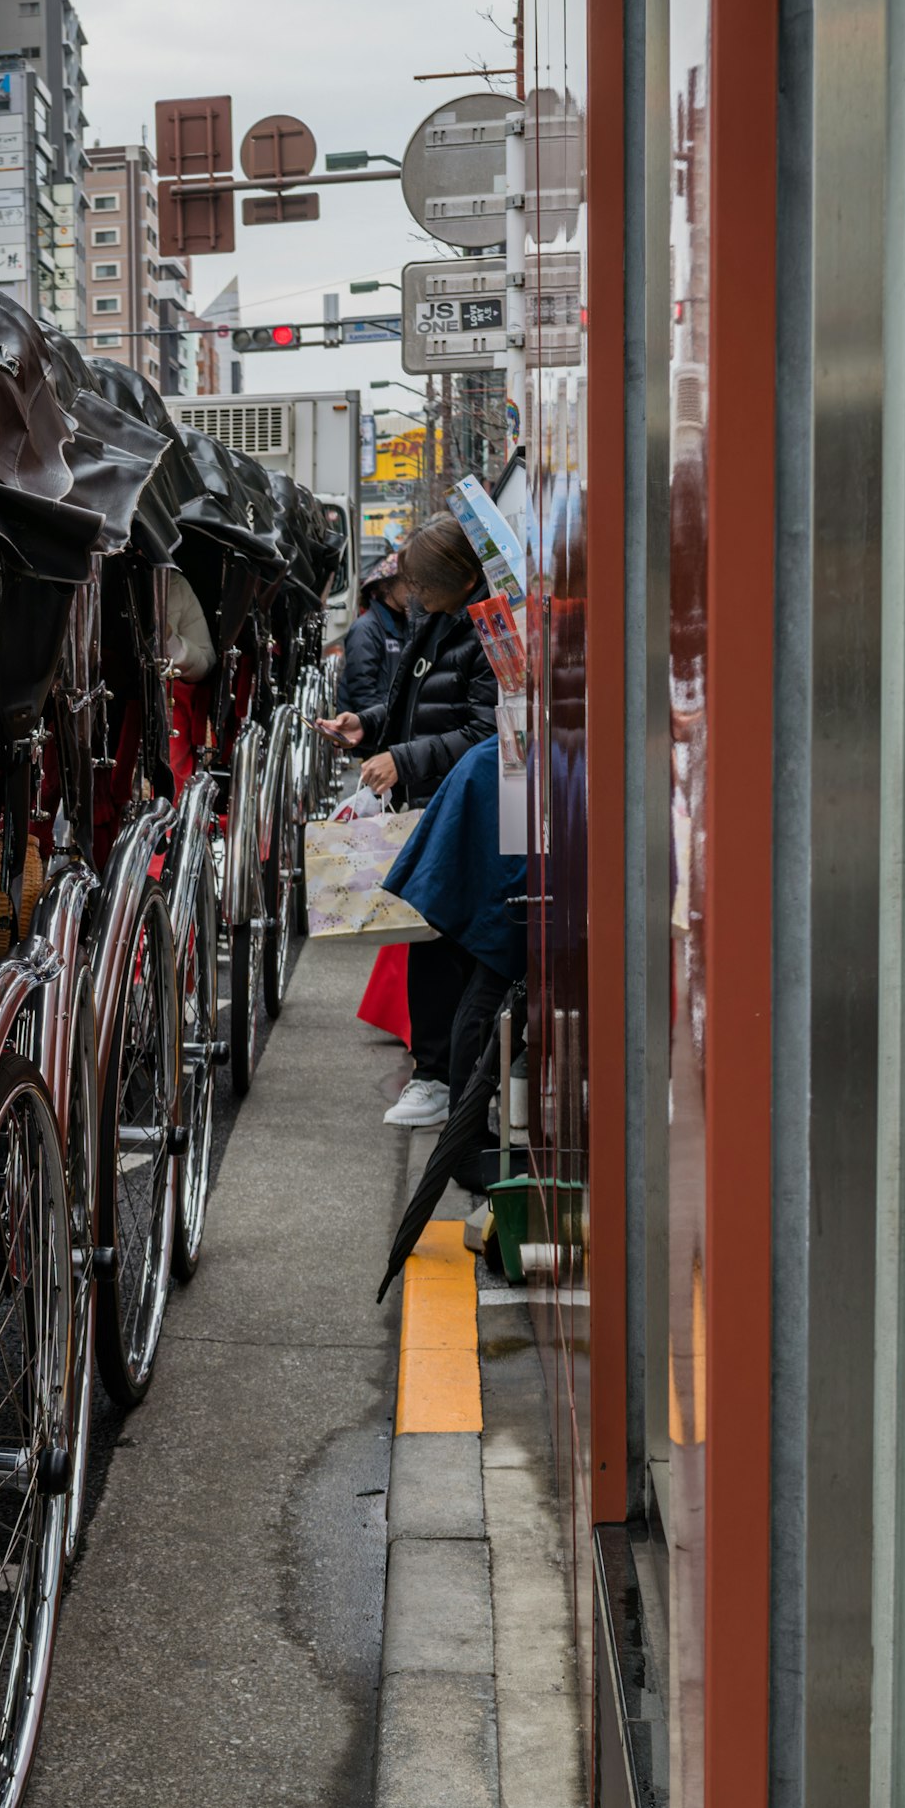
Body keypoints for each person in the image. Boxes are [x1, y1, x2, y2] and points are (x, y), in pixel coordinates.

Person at [315, 515, 499, 1123]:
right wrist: (367, 726)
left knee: (447, 946)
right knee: (428, 939)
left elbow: (484, 730)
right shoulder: (436, 620)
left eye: (422, 584)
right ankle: (435, 1074)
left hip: (468, 806)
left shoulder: (484, 629)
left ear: (457, 578)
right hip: (433, 800)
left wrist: (401, 756)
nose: (412, 595)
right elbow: (411, 702)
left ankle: (445, 1078)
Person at [377, 727, 530, 1287]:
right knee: (496, 966)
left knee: (488, 973)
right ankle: (467, 1140)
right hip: (502, 779)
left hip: (494, 775)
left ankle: (466, 1135)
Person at [338, 552, 411, 722]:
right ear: (386, 586)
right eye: (406, 581)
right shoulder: (365, 629)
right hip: (370, 732)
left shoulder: (407, 624)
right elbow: (362, 691)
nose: (413, 588)